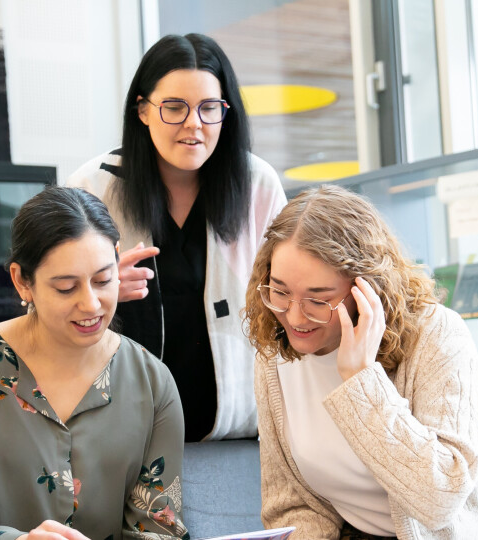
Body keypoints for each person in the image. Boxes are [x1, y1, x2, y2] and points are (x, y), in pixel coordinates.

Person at [243, 186, 478, 540]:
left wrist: (361, 380)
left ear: (367, 290)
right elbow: (293, 506)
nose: (295, 317)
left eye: (317, 299)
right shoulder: (274, 357)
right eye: (280, 291)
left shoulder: (437, 336)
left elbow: (440, 500)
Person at [0, 186, 188, 540]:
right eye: (66, 288)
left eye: (103, 280)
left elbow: (157, 527)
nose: (91, 304)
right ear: (21, 281)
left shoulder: (152, 382)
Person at [65, 33, 286, 442]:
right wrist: (100, 288)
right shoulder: (92, 187)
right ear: (143, 110)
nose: (193, 125)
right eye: (174, 108)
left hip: (238, 429)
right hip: (125, 436)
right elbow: (46, 311)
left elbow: (285, 307)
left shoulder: (258, 184)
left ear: (227, 112)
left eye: (209, 109)